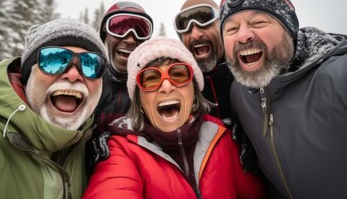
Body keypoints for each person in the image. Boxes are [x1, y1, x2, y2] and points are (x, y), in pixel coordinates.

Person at [83, 37, 267, 199]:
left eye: (178, 74)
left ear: (194, 92)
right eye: (151, 78)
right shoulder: (121, 151)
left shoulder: (224, 139)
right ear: (139, 101)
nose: (166, 86)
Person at [220, 0, 347, 198]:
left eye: (258, 22)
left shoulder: (336, 77)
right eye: (231, 29)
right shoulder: (239, 93)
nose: (243, 36)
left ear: (289, 30)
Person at [0, 18, 107, 199]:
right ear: (27, 76)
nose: (74, 75)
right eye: (54, 60)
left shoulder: (87, 146)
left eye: (90, 64)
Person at [174, 0, 258, 174]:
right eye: (186, 27)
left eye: (204, 21)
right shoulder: (179, 87)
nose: (196, 34)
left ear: (222, 26)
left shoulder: (253, 71)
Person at [86, 1, 154, 170]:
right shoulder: (85, 81)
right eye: (119, 28)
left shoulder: (153, 88)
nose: (130, 38)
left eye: (140, 30)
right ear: (104, 37)